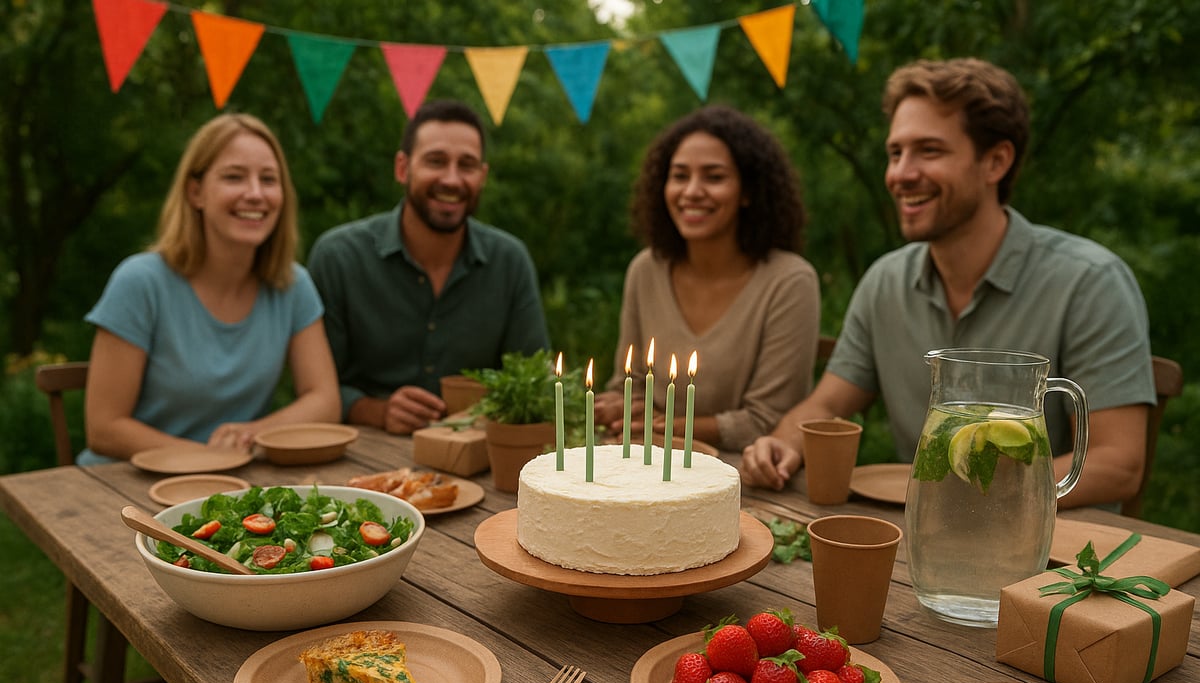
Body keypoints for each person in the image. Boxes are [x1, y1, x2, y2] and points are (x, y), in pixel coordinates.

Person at [741, 58, 1155, 509]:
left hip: (1057, 562)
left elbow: (1118, 464)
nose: (900, 174)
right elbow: (823, 407)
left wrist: (957, 495)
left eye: (929, 151)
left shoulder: (1089, 281)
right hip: (921, 540)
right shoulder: (885, 281)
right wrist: (782, 443)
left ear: (996, 161)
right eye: (895, 152)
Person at [80, 113, 340, 464]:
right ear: (196, 192)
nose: (255, 193)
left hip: (230, 488)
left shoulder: (292, 285)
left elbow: (324, 400)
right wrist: (209, 458)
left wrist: (248, 436)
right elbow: (104, 428)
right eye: (234, 177)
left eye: (268, 179)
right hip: (122, 491)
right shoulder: (140, 282)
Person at [307, 99, 550, 434]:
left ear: (482, 177)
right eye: (436, 161)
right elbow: (314, 390)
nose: (451, 179)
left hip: (475, 454)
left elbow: (534, 383)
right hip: (359, 453)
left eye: (466, 165)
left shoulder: (510, 261)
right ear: (402, 168)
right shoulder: (338, 257)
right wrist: (378, 411)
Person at [593, 106, 820, 451]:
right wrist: (616, 405)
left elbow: (767, 420)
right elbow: (632, 385)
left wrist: (662, 424)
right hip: (649, 468)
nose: (692, 191)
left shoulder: (790, 282)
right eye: (680, 176)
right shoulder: (646, 270)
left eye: (714, 177)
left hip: (748, 479)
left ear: (748, 192)